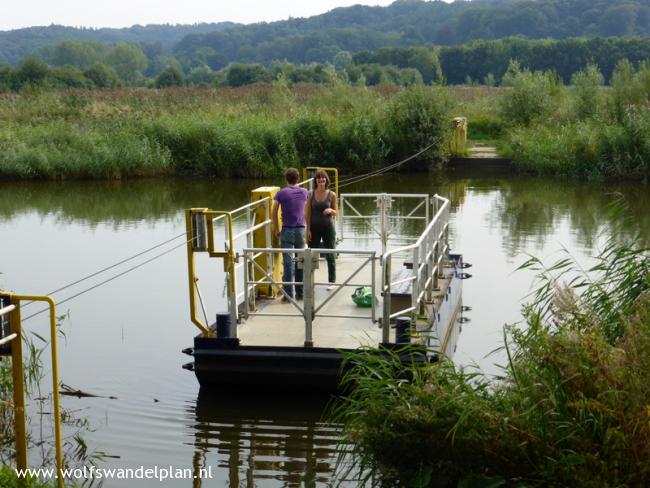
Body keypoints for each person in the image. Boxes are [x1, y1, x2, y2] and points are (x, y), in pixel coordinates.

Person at [272, 167, 309, 300]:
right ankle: (300, 293)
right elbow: (307, 210)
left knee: (287, 263)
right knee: (300, 261)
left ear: (286, 179)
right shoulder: (305, 192)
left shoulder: (281, 193)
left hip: (287, 230)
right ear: (298, 179)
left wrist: (277, 230)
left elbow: (274, 212)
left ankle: (288, 295)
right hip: (300, 230)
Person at [305, 169, 337, 290]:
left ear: (326, 180)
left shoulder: (332, 195)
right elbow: (307, 213)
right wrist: (308, 229)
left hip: (328, 228)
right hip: (314, 228)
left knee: (330, 254)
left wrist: (330, 211)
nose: (321, 180)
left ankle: (331, 281)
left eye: (323, 178)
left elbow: (336, 212)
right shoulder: (310, 194)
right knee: (311, 254)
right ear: (316, 181)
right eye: (318, 178)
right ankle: (310, 280)